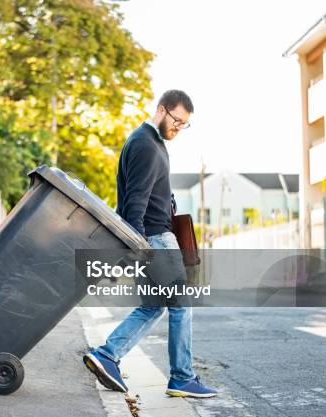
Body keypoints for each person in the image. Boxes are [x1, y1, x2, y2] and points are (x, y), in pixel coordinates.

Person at [83, 90, 217, 398]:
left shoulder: (151, 143)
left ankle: (107, 355)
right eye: (176, 121)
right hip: (154, 239)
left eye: (184, 125)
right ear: (161, 109)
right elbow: (135, 201)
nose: (178, 129)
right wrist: (138, 247)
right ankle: (182, 377)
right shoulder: (145, 143)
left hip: (153, 237)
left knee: (154, 306)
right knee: (181, 307)